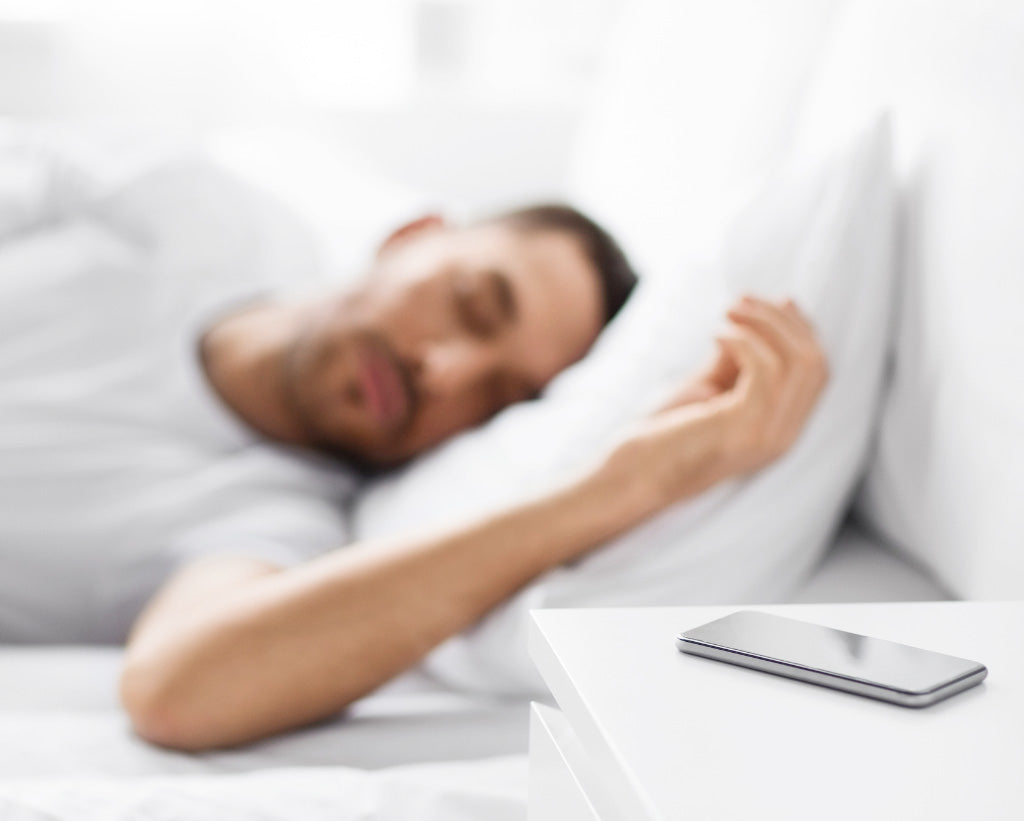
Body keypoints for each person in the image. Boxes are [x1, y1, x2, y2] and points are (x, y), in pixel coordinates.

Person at [0, 134, 828, 751]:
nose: (446, 369)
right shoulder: (195, 209)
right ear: (415, 236)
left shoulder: (271, 522)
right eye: (472, 302)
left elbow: (176, 691)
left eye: (499, 397)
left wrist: (611, 492)